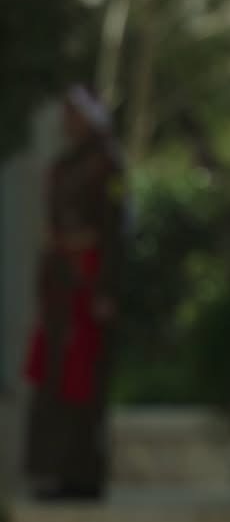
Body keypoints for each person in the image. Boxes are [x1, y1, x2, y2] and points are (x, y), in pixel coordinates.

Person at [21, 86, 128, 500]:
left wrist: (106, 290)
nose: (67, 122)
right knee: (54, 381)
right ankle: (54, 473)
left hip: (88, 288)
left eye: (74, 114)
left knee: (83, 382)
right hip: (60, 290)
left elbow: (115, 232)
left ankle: (84, 476)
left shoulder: (107, 165)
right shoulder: (64, 164)